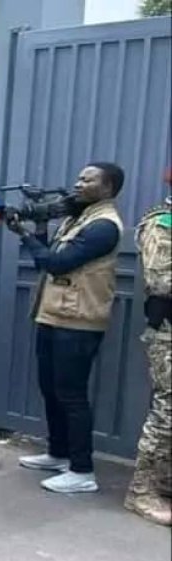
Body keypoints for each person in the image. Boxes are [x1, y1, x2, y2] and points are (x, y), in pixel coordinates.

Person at [8, 162, 125, 493]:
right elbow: (44, 258)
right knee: (50, 388)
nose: (77, 184)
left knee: (72, 395)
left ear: (108, 188)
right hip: (54, 315)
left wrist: (25, 234)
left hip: (79, 321)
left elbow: (58, 263)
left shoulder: (104, 226)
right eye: (78, 178)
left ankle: (82, 471)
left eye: (87, 180)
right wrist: (40, 227)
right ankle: (58, 453)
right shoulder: (78, 219)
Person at [125, 171, 171, 525]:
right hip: (168, 335)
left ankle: (165, 482)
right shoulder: (161, 223)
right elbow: (160, 280)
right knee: (166, 413)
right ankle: (141, 492)